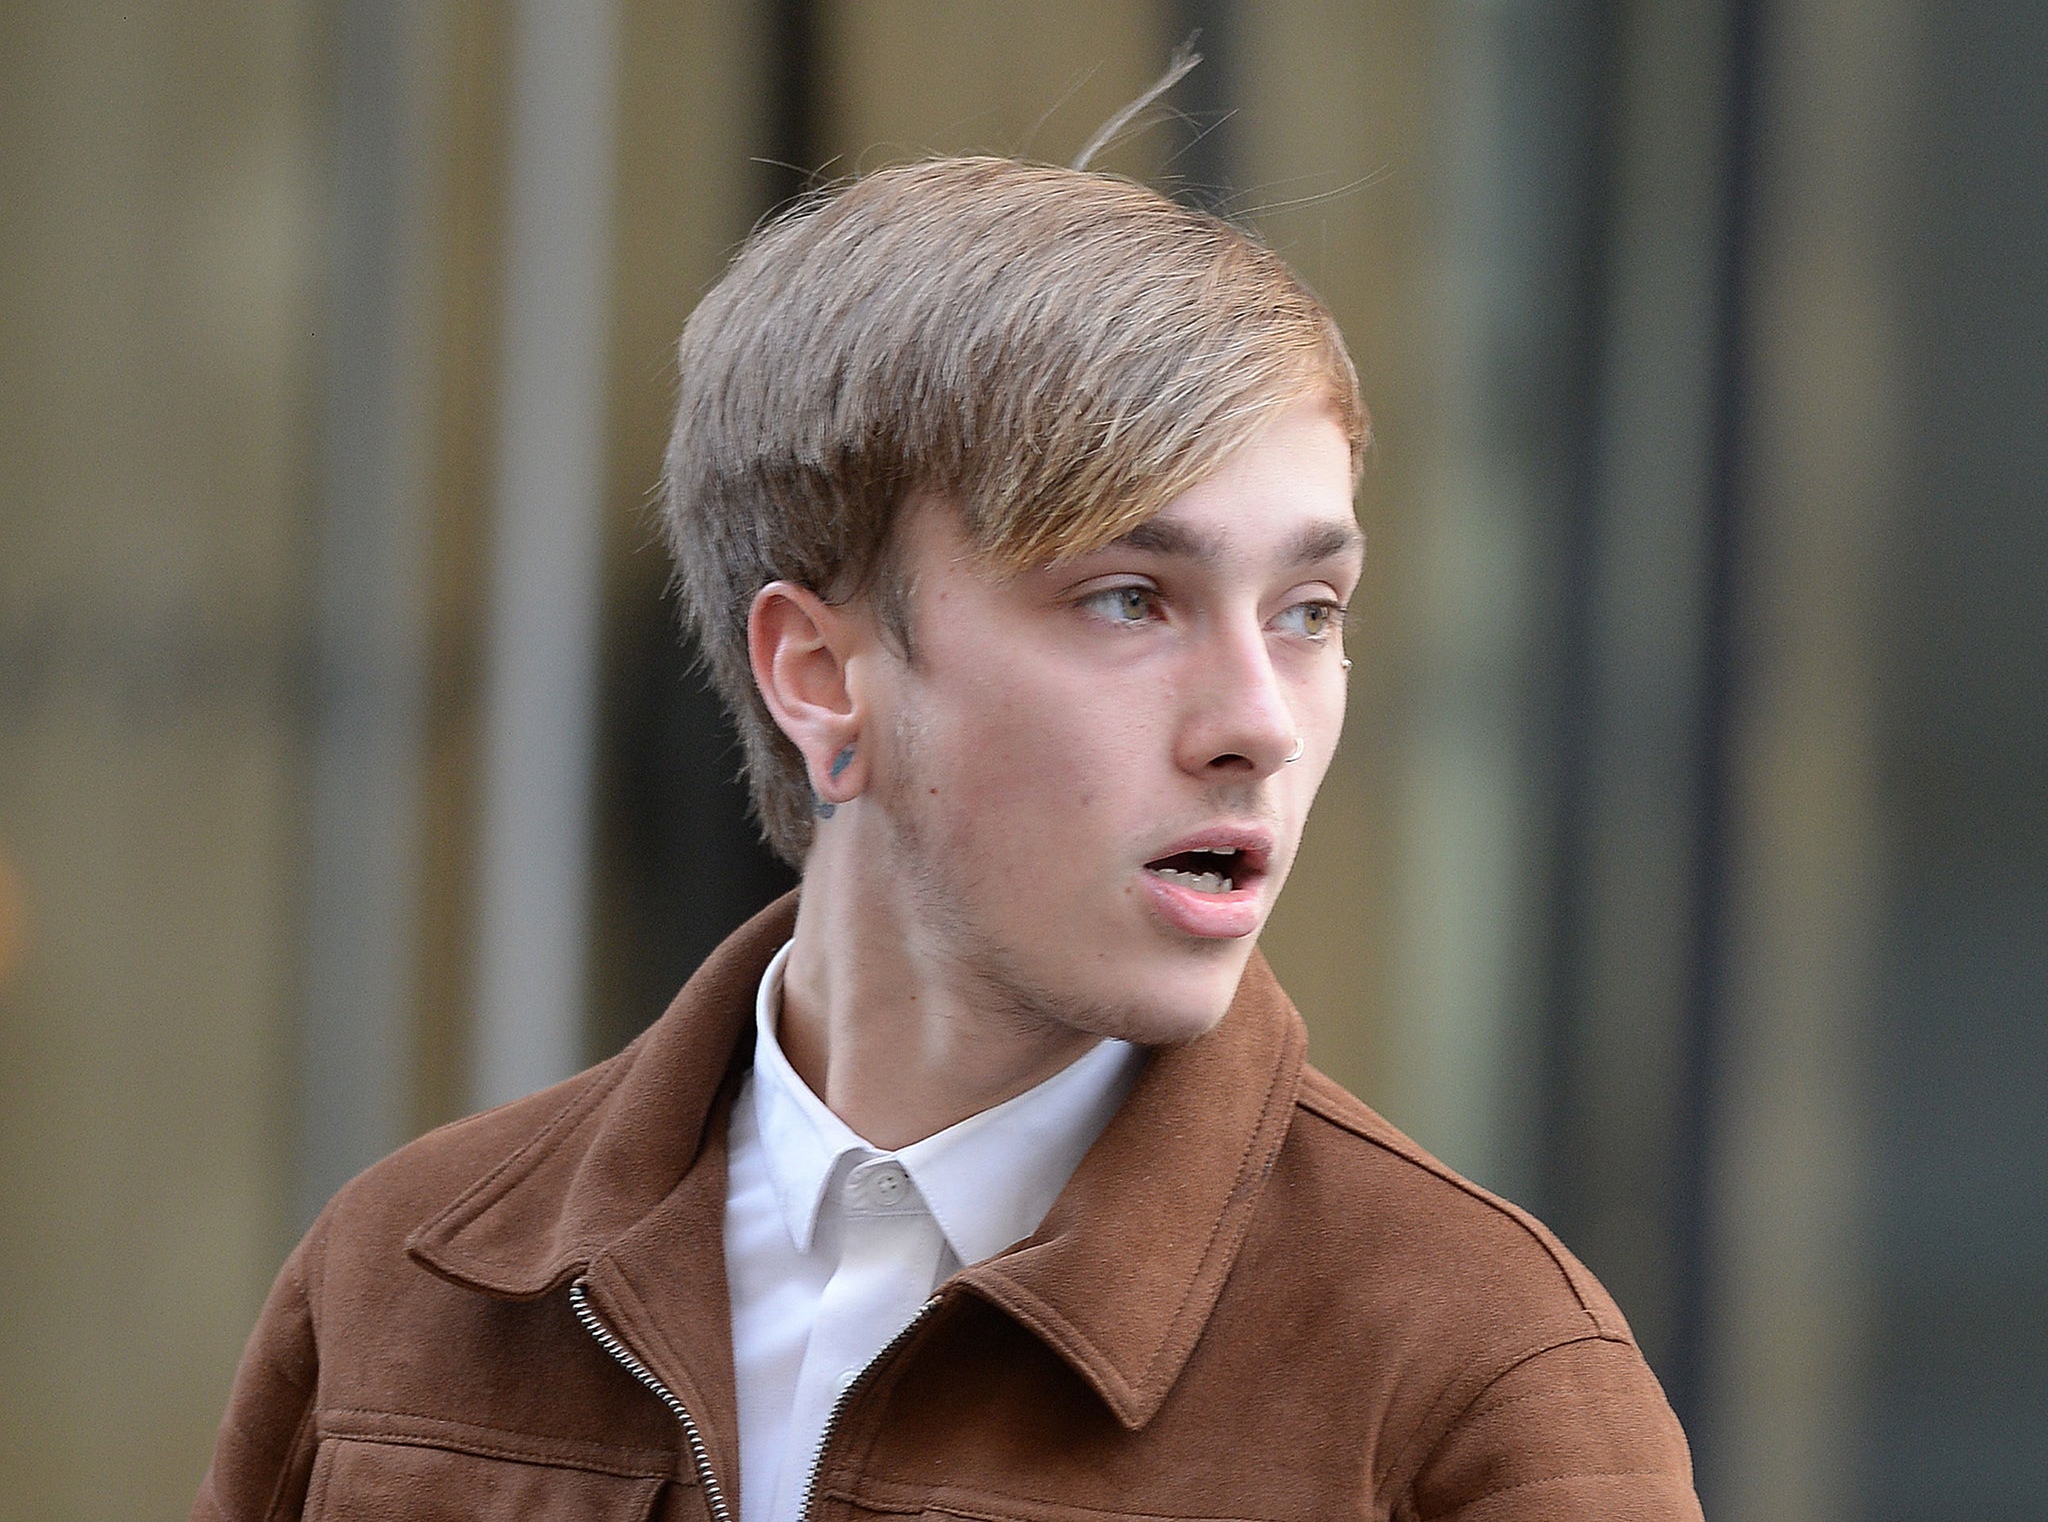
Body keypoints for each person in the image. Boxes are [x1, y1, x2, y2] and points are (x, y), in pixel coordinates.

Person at [194, 155, 1702, 1522]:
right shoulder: (411, 1285)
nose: (1261, 718)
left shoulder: (1472, 1366)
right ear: (818, 673)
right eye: (1131, 597)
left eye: (1309, 613)